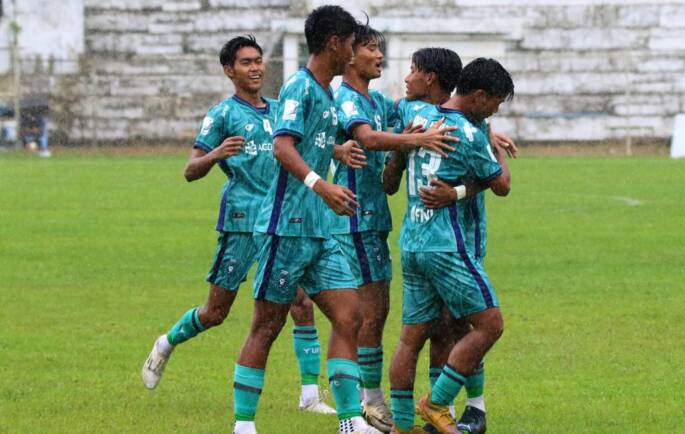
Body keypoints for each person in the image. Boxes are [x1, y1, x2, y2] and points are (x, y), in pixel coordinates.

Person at [140, 35, 356, 414]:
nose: (256, 68)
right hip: (242, 222)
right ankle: (167, 342)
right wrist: (217, 154)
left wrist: (336, 150)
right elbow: (190, 170)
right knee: (216, 312)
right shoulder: (223, 115)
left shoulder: (279, 108)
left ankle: (309, 396)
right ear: (229, 70)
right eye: (245, 62)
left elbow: (298, 146)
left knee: (301, 304)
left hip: (285, 222)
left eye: (258, 61)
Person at [231, 6, 380, 434]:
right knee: (267, 324)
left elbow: (310, 141)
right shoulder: (299, 86)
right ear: (335, 43)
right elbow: (282, 146)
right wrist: (323, 185)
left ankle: (350, 421)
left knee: (350, 315)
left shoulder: (328, 92)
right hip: (285, 227)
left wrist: (337, 152)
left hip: (320, 230)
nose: (354, 50)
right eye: (352, 42)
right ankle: (244, 425)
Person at [332, 26, 458, 433]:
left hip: (374, 218)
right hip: (351, 217)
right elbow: (367, 139)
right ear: (350, 55)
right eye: (370, 47)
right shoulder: (347, 98)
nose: (379, 55)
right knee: (363, 313)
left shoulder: (381, 101)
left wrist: (486, 130)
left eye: (379, 48)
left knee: (376, 311)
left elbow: (417, 121)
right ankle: (368, 403)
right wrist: (406, 141)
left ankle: (368, 401)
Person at [386, 58, 514, 434]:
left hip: (412, 241)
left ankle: (401, 425)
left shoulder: (422, 120)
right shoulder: (469, 133)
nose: (494, 110)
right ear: (476, 96)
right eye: (494, 103)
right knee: (489, 325)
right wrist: (498, 151)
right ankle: (438, 403)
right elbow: (501, 185)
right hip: (446, 245)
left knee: (410, 338)